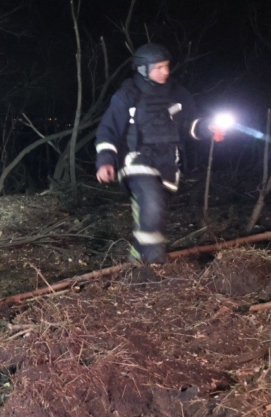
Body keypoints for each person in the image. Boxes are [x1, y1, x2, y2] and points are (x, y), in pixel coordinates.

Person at [94, 44, 225, 264]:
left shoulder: (177, 93)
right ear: (143, 69)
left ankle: (136, 258)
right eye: (159, 67)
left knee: (153, 213)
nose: (166, 71)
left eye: (167, 66)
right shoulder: (128, 94)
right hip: (135, 160)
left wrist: (207, 128)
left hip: (167, 164)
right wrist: (105, 160)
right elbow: (108, 129)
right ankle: (154, 264)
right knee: (151, 202)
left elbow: (190, 125)